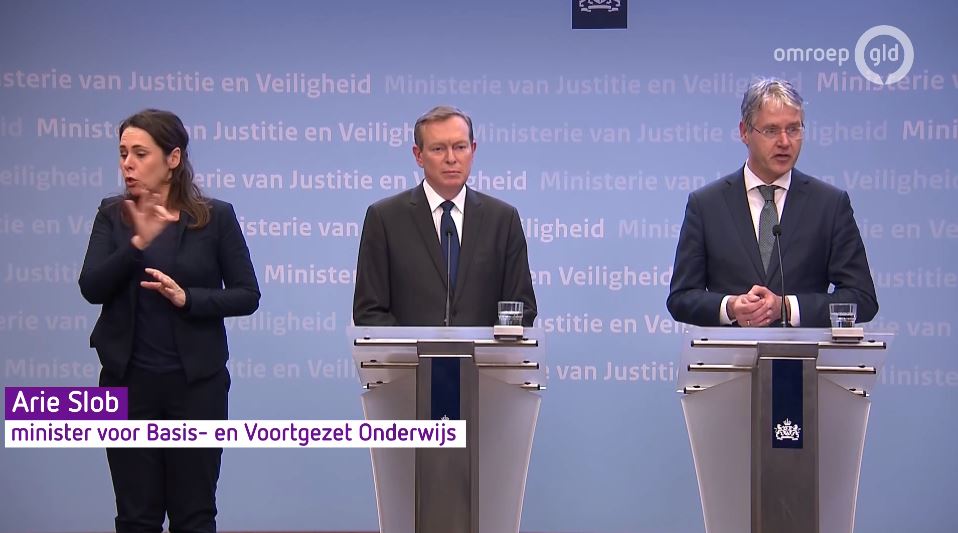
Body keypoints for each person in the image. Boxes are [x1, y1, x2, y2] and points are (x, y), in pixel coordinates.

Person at [78, 109, 260, 532]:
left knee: (194, 515)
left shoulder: (215, 217)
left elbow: (247, 294)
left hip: (196, 389)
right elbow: (91, 287)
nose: (128, 164)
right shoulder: (111, 214)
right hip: (126, 386)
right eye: (123, 153)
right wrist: (136, 244)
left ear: (173, 158)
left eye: (140, 154)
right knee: (135, 517)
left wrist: (188, 297)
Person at [667, 78, 878, 328]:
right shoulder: (706, 205)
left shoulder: (830, 205)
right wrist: (730, 307)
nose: (785, 142)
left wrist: (787, 307)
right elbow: (681, 298)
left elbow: (862, 299)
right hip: (730, 352)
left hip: (802, 352)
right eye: (771, 130)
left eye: (794, 129)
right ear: (744, 132)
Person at [352, 105, 537, 327]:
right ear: (418, 155)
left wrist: (489, 343)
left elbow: (522, 308)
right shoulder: (385, 219)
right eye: (438, 149)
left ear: (473, 150)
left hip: (487, 351)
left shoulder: (503, 220)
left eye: (460, 147)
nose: (451, 158)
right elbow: (369, 311)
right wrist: (414, 346)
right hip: (408, 351)